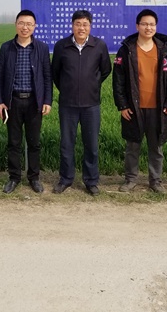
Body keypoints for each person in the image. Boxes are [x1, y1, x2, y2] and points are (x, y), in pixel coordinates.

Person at [112, 9, 167, 193]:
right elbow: (118, 80)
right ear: (137, 26)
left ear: (155, 27)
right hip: (134, 108)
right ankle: (130, 179)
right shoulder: (127, 49)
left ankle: (155, 181)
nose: (148, 27)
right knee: (132, 146)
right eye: (144, 24)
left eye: (151, 24)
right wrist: (122, 105)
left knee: (156, 147)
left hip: (158, 108)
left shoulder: (164, 50)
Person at [51, 10, 112, 196]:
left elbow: (105, 70)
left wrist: (92, 84)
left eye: (85, 24)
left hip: (91, 105)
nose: (81, 28)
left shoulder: (99, 45)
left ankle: (91, 181)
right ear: (72, 25)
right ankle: (66, 179)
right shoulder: (62, 46)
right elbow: (55, 73)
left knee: (91, 145)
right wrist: (66, 88)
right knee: (66, 144)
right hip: (67, 105)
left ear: (90, 26)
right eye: (78, 24)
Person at [0, 10, 52, 194]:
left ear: (34, 27)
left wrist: (47, 100)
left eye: (29, 24)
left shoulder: (41, 48)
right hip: (13, 102)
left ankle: (34, 178)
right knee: (14, 142)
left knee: (34, 142)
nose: (25, 27)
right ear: (16, 25)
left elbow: (47, 77)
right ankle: (14, 177)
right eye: (21, 23)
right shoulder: (7, 48)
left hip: (34, 102)